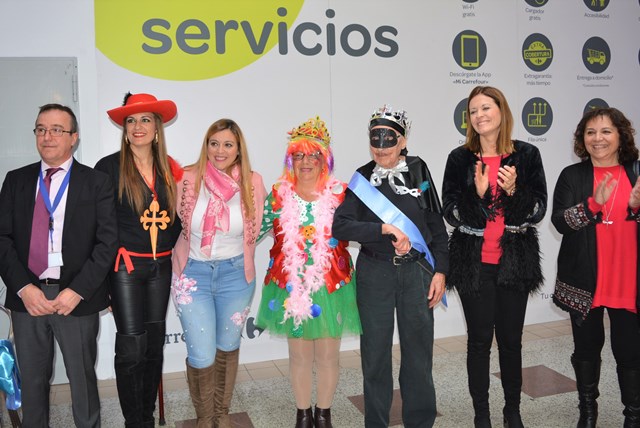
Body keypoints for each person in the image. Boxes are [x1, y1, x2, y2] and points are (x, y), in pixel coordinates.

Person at [0, 104, 118, 427]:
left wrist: (77, 290)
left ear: (74, 138)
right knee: (34, 384)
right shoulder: (16, 180)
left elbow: (107, 243)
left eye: (56, 129)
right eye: (41, 129)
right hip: (29, 300)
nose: (47, 136)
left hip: (76, 300)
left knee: (82, 384)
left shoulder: (97, 183)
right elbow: (2, 239)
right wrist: (24, 289)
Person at [332, 105, 448, 428]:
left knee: (418, 355)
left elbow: (435, 224)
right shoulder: (362, 177)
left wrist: (441, 271)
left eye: (389, 139)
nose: (381, 147)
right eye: (375, 139)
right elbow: (340, 227)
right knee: (375, 357)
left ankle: (421, 422)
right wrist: (381, 230)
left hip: (416, 273)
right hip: (375, 274)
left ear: (403, 140)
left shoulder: (419, 170)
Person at [441, 86, 547, 428]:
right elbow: (451, 212)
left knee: (511, 342)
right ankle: (482, 414)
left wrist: (515, 190)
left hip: (514, 263)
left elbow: (538, 210)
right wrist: (479, 194)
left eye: (486, 108)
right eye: (473, 111)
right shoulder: (459, 159)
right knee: (479, 342)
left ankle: (512, 411)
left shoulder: (527, 155)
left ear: (501, 111)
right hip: (474, 264)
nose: (479, 116)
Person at [255, 117, 362, 428]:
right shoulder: (277, 194)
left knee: (328, 357)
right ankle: (303, 414)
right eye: (298, 155)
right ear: (290, 160)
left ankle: (324, 413)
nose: (305, 162)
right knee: (299, 357)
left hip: (331, 288)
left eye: (312, 155)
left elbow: (365, 229)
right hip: (290, 289)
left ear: (324, 159)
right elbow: (252, 231)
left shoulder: (342, 193)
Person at [171, 118, 266, 427]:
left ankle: (221, 415)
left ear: (238, 149)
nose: (220, 150)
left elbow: (255, 230)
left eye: (228, 144)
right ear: (206, 146)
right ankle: (204, 418)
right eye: (214, 143)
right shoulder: (186, 179)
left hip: (236, 275)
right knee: (200, 354)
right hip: (192, 274)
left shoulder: (253, 182)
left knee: (228, 346)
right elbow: (172, 225)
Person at [95, 92, 183, 427]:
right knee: (131, 348)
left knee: (154, 346)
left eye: (145, 119)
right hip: (125, 268)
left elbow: (176, 218)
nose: (138, 126)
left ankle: (145, 413)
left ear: (158, 128)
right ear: (124, 128)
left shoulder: (169, 167)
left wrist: (168, 244)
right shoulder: (109, 167)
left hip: (160, 268)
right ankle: (136, 421)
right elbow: (99, 221)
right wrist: (115, 253)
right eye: (131, 120)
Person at [552, 107, 640, 428]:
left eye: (605, 131)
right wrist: (593, 204)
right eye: (590, 132)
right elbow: (560, 222)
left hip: (628, 281)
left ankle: (633, 415)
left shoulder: (636, 173)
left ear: (620, 136)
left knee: (630, 353)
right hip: (584, 281)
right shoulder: (572, 176)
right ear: (582, 139)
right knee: (586, 350)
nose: (597, 139)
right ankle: (588, 411)